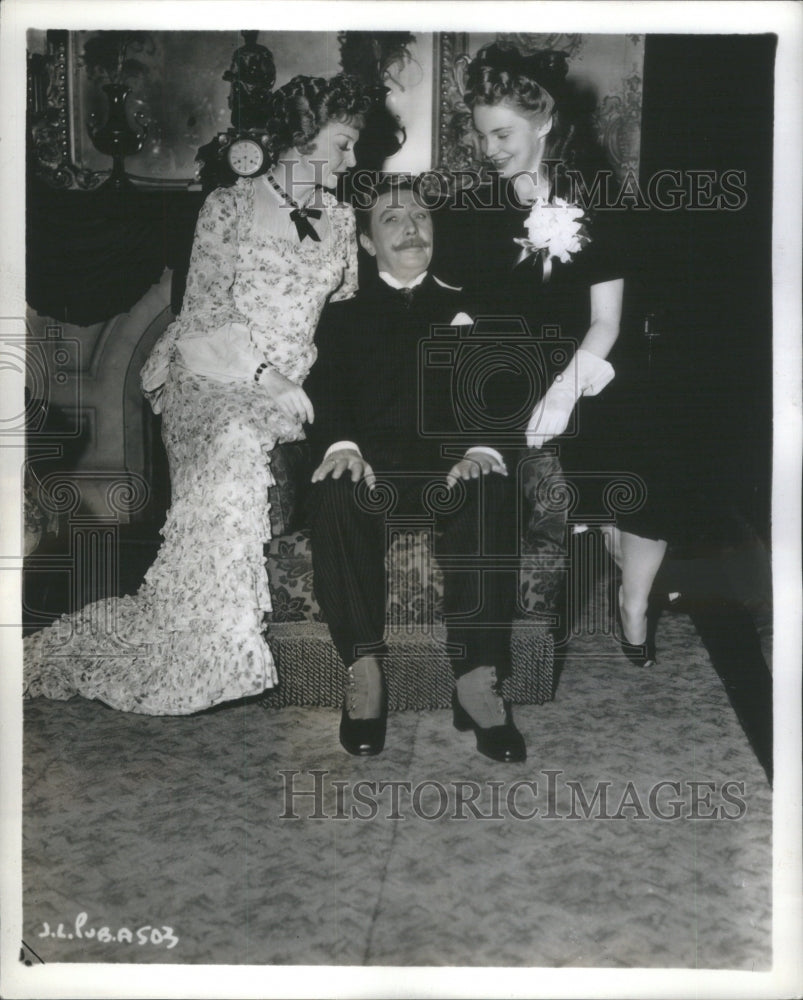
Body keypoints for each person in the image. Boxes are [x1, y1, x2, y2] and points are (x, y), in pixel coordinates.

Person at [23, 73, 372, 714]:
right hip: (213, 371)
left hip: (290, 386)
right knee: (235, 440)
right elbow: (205, 317)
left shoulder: (344, 219)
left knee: (253, 434)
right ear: (302, 138)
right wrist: (270, 376)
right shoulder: (228, 206)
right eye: (344, 143)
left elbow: (345, 320)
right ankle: (214, 650)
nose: (354, 160)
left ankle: (210, 645)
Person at [436, 43, 665, 667]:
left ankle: (634, 601)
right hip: (505, 370)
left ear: (544, 122)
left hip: (586, 364)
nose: (490, 151)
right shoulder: (468, 211)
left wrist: (567, 389)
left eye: (503, 133)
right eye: (482, 136)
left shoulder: (600, 200)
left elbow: (607, 322)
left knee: (652, 428)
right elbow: (453, 313)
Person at [304, 178, 526, 763]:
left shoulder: (473, 305)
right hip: (373, 470)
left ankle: (477, 678)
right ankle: (366, 671)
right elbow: (324, 394)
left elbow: (501, 393)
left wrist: (480, 449)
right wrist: (344, 447)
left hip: (447, 470)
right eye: (392, 219)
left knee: (490, 490)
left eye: (421, 217)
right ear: (367, 242)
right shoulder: (339, 317)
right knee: (333, 492)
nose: (410, 227)